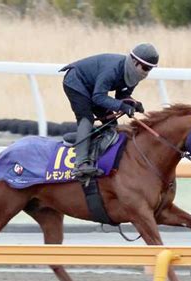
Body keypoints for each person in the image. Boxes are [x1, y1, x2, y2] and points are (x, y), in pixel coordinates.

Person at [60, 43, 159, 179]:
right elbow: (98, 97)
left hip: (93, 88)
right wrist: (122, 106)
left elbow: (121, 96)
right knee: (86, 117)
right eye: (145, 68)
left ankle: (81, 139)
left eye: (150, 69)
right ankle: (80, 164)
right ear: (135, 62)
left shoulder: (133, 75)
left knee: (111, 123)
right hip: (75, 82)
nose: (146, 72)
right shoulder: (112, 70)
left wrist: (133, 103)